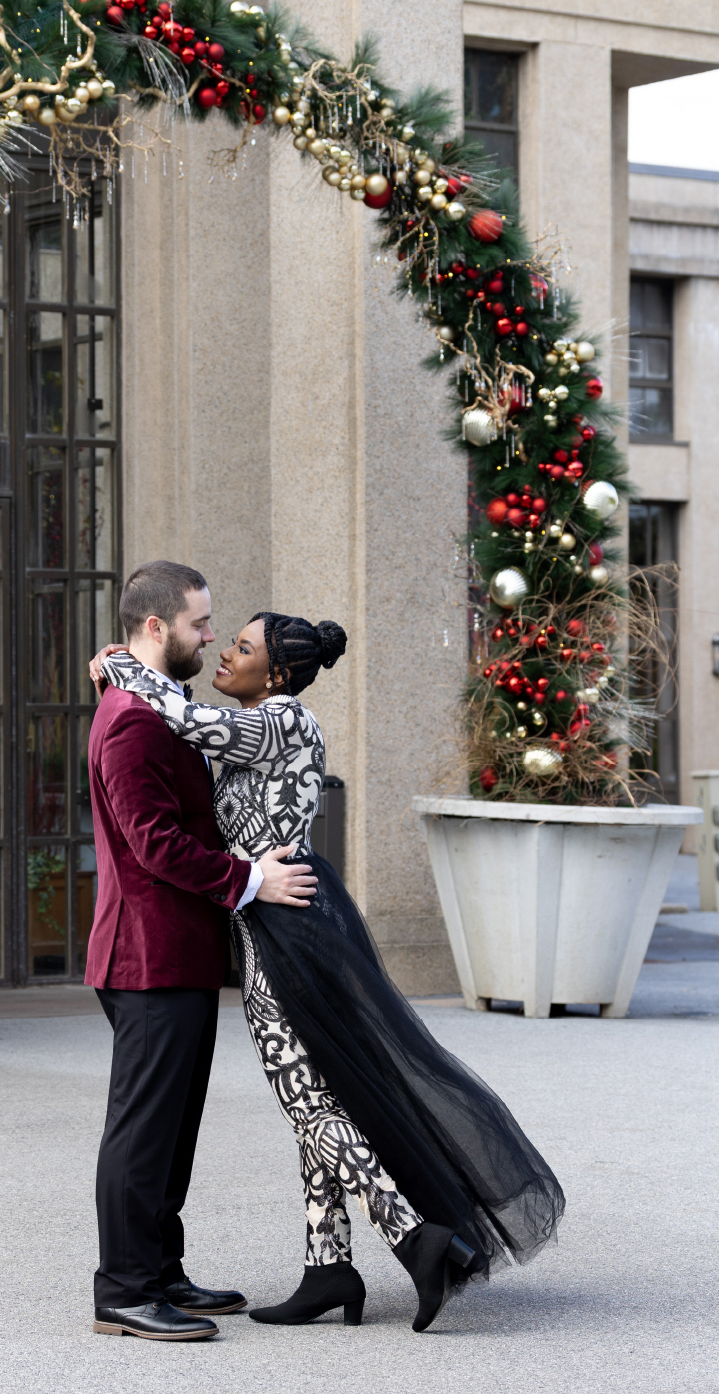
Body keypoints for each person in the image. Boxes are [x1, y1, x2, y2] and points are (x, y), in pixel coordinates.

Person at [91, 610, 565, 1332]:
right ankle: (328, 1266)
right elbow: (189, 719)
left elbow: (192, 723)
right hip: (275, 924)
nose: (224, 651)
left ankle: (414, 1236)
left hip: (286, 930)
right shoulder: (260, 714)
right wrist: (125, 668)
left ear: (276, 673)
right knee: (314, 1095)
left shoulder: (281, 721)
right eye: (220, 635)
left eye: (242, 647)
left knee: (308, 1104)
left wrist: (120, 664)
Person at [86, 562, 319, 1343]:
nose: (211, 636)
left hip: (177, 952)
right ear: (155, 628)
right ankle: (123, 1289)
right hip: (145, 955)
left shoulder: (155, 704)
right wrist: (251, 879)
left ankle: (159, 1272)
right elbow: (154, 843)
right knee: (143, 1128)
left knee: (174, 1127)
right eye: (200, 623)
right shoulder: (133, 720)